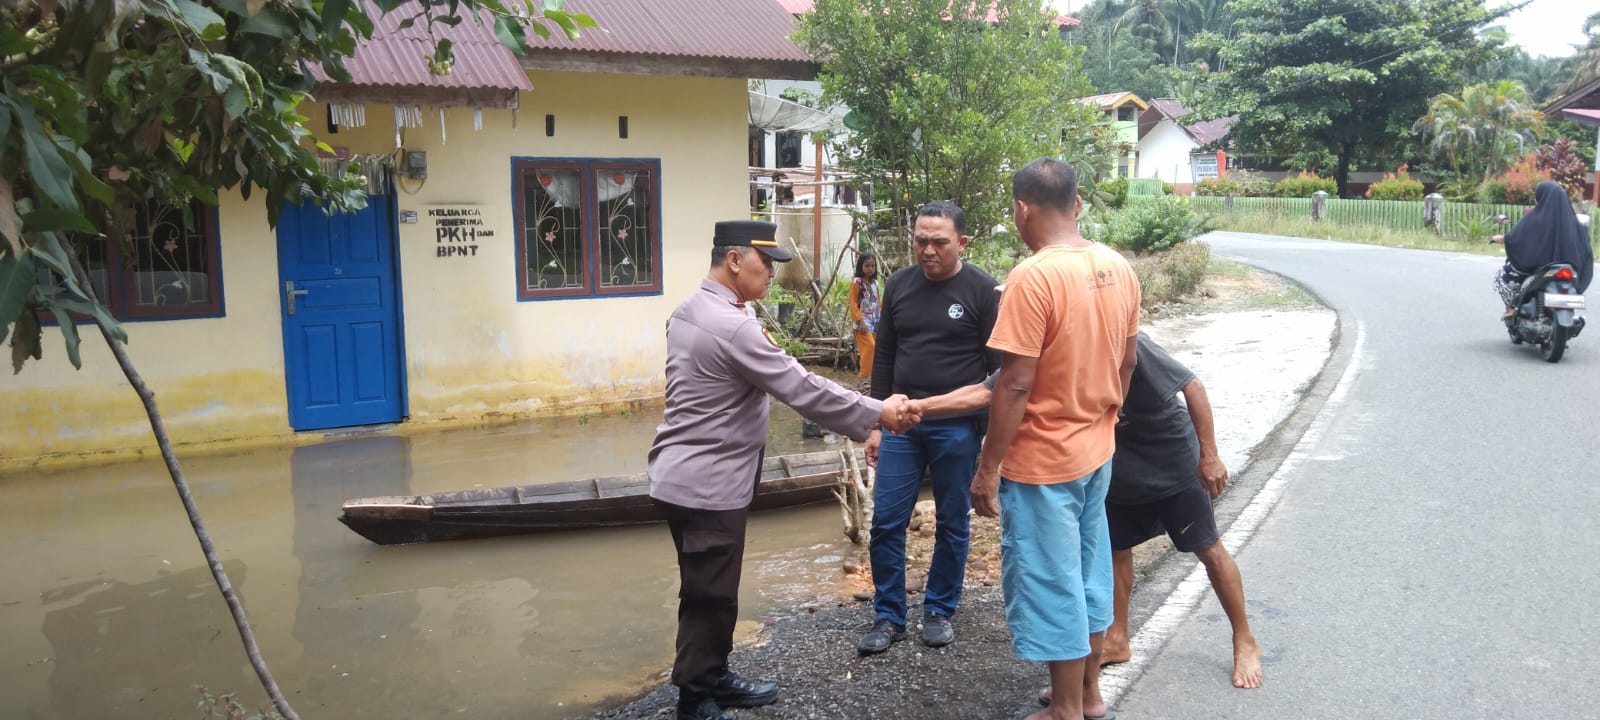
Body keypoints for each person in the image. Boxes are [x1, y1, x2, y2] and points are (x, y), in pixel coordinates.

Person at [648, 220, 920, 720]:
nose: (773, 273)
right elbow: (801, 387)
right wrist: (876, 413)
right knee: (711, 592)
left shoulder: (691, 309)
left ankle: (713, 675)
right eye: (765, 263)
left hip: (680, 474)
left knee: (708, 585)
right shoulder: (731, 324)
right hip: (708, 483)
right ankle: (696, 699)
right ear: (734, 261)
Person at [917, 332, 1264, 694]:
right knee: (1113, 553)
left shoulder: (1122, 338)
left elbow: (1191, 385)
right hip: (1107, 465)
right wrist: (921, 407)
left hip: (1169, 461)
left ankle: (1244, 638)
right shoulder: (1037, 349)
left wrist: (1209, 455)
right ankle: (1116, 639)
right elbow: (990, 391)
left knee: (1207, 548)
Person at [972, 158, 1140, 720]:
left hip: (1045, 460)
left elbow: (1015, 383)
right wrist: (1105, 413)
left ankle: (1064, 709)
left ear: (1022, 210)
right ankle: (1089, 697)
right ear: (1078, 204)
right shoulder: (1118, 266)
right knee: (1090, 573)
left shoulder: (1033, 276)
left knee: (1053, 580)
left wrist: (988, 466)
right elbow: (1129, 359)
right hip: (1098, 448)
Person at [856, 201, 1000, 655]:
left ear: (962, 242)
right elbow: (885, 357)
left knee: (953, 520)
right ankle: (889, 615)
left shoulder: (982, 290)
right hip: (900, 424)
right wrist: (876, 423)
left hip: (956, 426)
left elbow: (998, 373)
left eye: (939, 241)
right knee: (886, 521)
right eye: (921, 240)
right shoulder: (898, 284)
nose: (928, 250)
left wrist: (992, 442)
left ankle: (939, 608)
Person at [1491, 181, 1594, 319]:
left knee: (1502, 275)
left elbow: (1516, 238)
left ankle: (1511, 308)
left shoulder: (1535, 217)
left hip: (1540, 267)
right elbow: (1586, 248)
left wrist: (1502, 238)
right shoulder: (1574, 223)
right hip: (1571, 268)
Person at [848, 254, 882, 392]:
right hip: (863, 322)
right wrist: (860, 320)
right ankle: (864, 377)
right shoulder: (857, 283)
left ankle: (873, 377)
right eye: (867, 266)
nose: (870, 269)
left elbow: (878, 302)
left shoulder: (875, 283)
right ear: (861, 266)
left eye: (872, 266)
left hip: (875, 321)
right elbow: (852, 303)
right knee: (869, 347)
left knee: (876, 349)